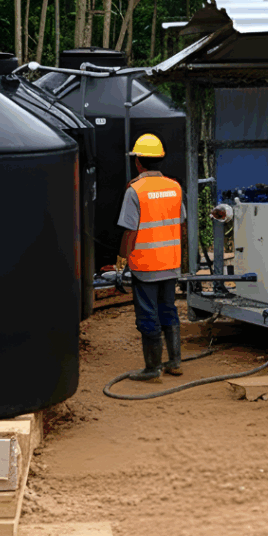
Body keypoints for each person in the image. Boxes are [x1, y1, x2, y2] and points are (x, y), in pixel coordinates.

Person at [116, 133, 186, 382]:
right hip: (170, 263)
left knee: (147, 314)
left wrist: (121, 260)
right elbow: (181, 225)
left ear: (138, 162)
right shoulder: (174, 187)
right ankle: (175, 362)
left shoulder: (135, 190)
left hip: (145, 265)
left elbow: (130, 231)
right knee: (168, 308)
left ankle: (152, 368)